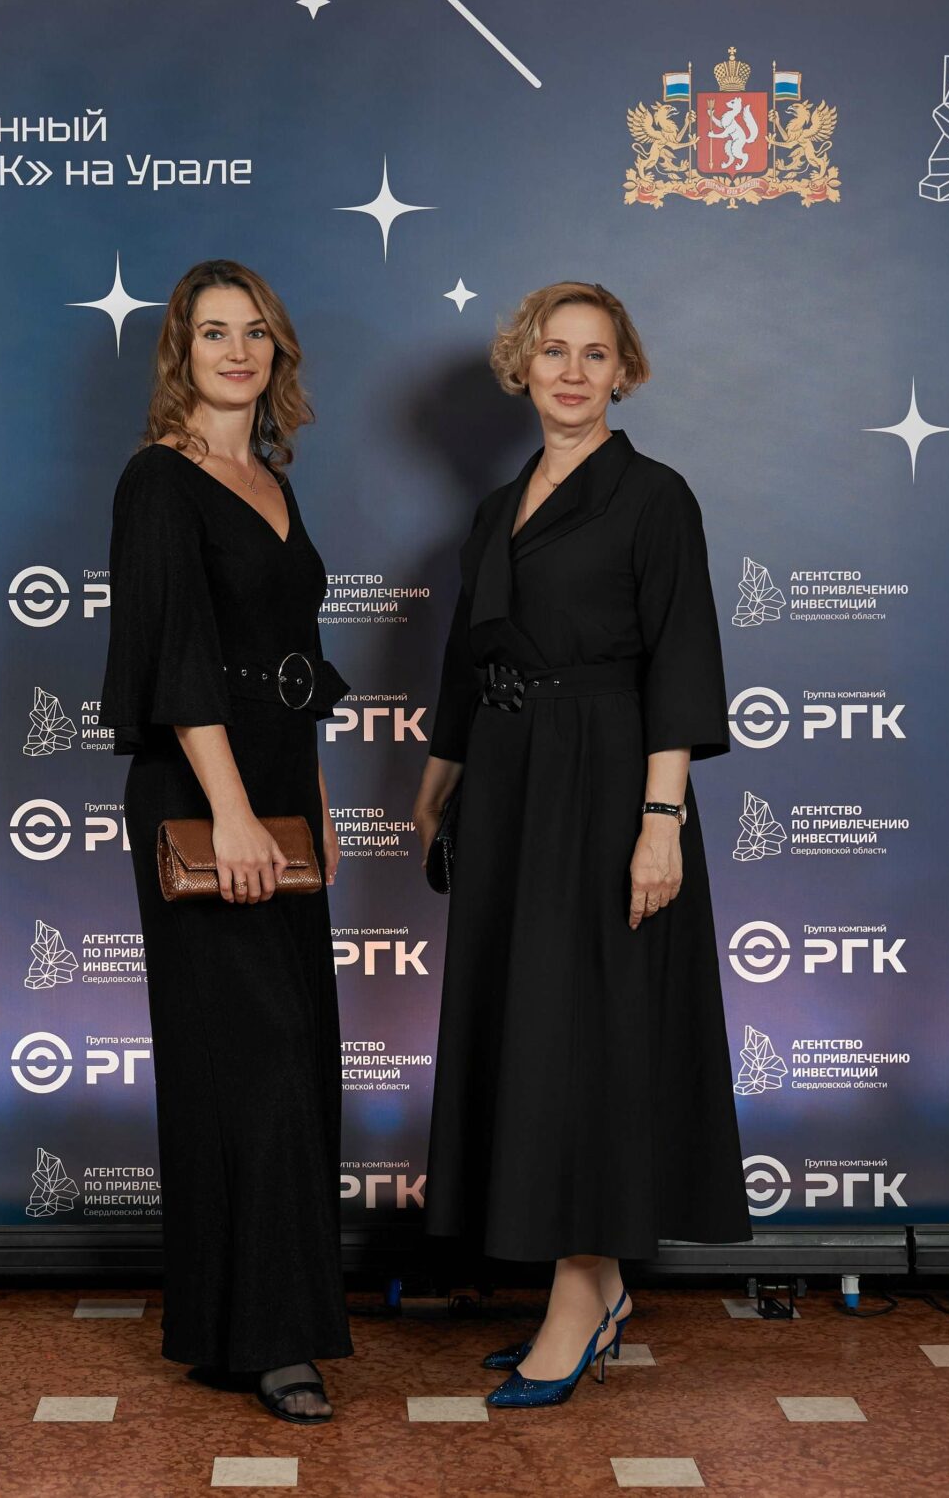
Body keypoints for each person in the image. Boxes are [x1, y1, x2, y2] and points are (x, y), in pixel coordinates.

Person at [410, 281, 749, 1409]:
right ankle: (598, 1289)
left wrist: (661, 820)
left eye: (593, 354)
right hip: (509, 788)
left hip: (608, 784)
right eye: (552, 351)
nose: (570, 371)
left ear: (624, 374)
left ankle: (577, 1293)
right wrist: (438, 780)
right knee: (537, 1032)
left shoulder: (655, 497)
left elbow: (680, 660)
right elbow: (469, 658)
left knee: (594, 1035)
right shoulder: (495, 508)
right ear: (522, 366)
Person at [100, 259, 352, 1424]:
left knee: (285, 1060)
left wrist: (313, 798)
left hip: (277, 778)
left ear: (277, 350)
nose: (237, 350)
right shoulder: (159, 481)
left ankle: (226, 1326)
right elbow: (177, 657)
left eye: (255, 331)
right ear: (180, 352)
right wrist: (234, 812)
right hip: (202, 786)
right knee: (253, 1063)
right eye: (214, 333)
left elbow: (294, 660)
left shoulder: (272, 478)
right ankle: (275, 1341)